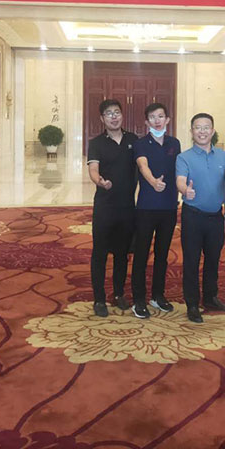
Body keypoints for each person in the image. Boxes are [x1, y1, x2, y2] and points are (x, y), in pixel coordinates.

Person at [175, 113, 225, 323]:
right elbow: (180, 180)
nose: (202, 131)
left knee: (213, 258)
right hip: (193, 216)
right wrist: (185, 191)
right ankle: (192, 303)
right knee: (191, 260)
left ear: (212, 130)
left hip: (216, 216)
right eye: (198, 127)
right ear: (192, 131)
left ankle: (210, 297)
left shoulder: (223, 156)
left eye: (206, 127)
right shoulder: (184, 157)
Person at [86, 99, 138, 317]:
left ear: (122, 115)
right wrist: (100, 181)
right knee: (100, 253)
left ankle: (118, 294)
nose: (114, 116)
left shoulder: (133, 140)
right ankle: (99, 299)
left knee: (122, 253)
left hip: (127, 207)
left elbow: (144, 165)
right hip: (105, 207)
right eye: (109, 113)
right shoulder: (96, 143)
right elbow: (93, 169)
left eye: (117, 112)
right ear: (102, 118)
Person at [130, 103, 181, 319]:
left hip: (169, 207)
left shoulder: (174, 143)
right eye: (152, 117)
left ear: (167, 120)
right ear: (146, 122)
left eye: (161, 116)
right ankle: (138, 299)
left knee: (162, 254)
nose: (157, 120)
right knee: (141, 254)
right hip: (146, 207)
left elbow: (180, 170)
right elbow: (143, 165)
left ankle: (158, 295)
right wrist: (153, 182)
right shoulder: (141, 143)